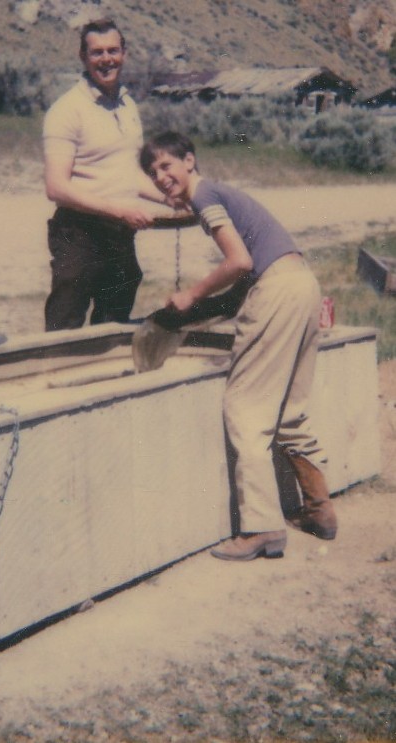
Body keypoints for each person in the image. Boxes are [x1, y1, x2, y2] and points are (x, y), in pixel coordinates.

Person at [139, 130, 338, 561]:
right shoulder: (224, 193)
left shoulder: (205, 196)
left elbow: (239, 262)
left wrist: (190, 295)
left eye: (166, 165)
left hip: (277, 290)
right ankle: (320, 509)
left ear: (189, 161)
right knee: (289, 410)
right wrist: (189, 314)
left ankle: (261, 529)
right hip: (302, 284)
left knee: (246, 409)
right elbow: (238, 288)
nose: (161, 177)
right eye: (153, 173)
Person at [42, 18, 168, 331]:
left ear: (124, 53)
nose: (106, 59)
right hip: (79, 233)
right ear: (83, 57)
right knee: (65, 324)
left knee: (113, 324)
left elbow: (130, 173)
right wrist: (119, 210)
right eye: (97, 52)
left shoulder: (126, 104)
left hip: (119, 234)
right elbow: (56, 187)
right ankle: (53, 378)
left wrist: (174, 197)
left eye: (112, 50)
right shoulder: (67, 110)